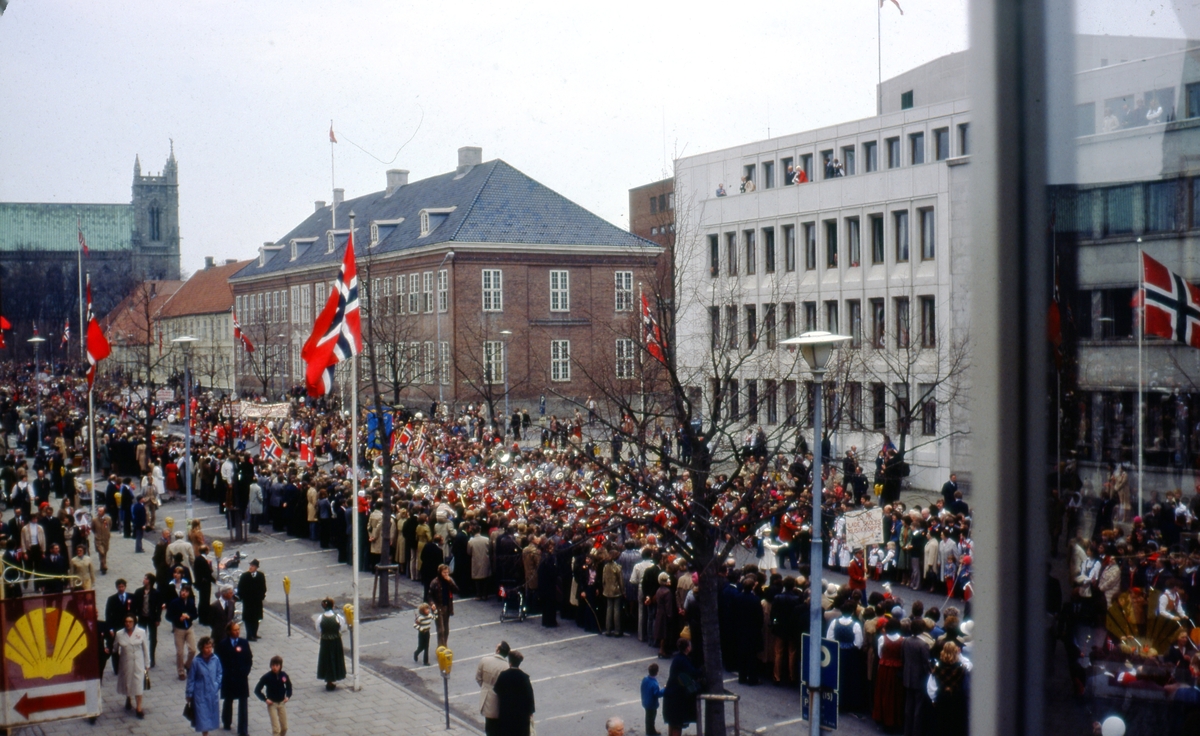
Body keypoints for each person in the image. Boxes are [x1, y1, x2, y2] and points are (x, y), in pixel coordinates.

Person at [216, 621, 253, 736]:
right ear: (229, 632)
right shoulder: (222, 644)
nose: (237, 632)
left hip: (241, 677)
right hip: (228, 677)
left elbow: (249, 659)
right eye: (234, 630)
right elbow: (218, 661)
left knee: (243, 702)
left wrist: (245, 671)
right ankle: (227, 722)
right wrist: (223, 674)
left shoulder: (244, 642)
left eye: (238, 629)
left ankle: (243, 729)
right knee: (228, 699)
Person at [114, 614, 150, 718]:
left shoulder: (141, 632)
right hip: (125, 662)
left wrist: (147, 663)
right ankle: (128, 698)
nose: (128, 624)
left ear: (134, 622)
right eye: (126, 621)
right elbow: (115, 648)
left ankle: (139, 708)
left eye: (130, 621)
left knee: (138, 683)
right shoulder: (119, 634)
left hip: (138, 662)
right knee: (128, 682)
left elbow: (145, 649)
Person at [929, 641, 968, 736]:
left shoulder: (937, 667)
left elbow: (931, 685)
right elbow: (969, 665)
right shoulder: (962, 667)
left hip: (942, 697)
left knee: (942, 723)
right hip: (957, 697)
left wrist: (933, 699)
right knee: (957, 724)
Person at [662, 639, 700, 736]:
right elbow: (693, 673)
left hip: (671, 695)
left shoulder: (678, 658)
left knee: (672, 724)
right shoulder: (683, 660)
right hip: (676, 698)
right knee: (677, 726)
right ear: (687, 648)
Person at [187, 636, 223, 736]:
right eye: (206, 647)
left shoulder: (215, 659)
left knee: (211, 715)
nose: (209, 649)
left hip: (212, 692)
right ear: (202, 648)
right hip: (200, 693)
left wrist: (217, 684)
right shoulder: (196, 661)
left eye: (210, 647)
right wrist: (189, 693)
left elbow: (219, 673)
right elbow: (191, 679)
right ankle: (205, 734)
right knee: (202, 716)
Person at [493, 650, 535, 736]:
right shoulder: (524, 677)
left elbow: (497, 689)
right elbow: (529, 696)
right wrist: (530, 711)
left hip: (506, 712)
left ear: (510, 662)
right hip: (521, 715)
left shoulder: (503, 675)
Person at [476, 641, 511, 736]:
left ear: (498, 650)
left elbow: (478, 678)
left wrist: (485, 687)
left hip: (486, 697)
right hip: (500, 702)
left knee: (489, 727)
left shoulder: (485, 660)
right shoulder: (507, 667)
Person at [131, 573, 164, 668]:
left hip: (152, 618)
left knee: (153, 638)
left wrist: (158, 618)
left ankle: (152, 657)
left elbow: (159, 607)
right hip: (141, 618)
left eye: (145, 578)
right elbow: (134, 606)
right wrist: (134, 617)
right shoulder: (138, 592)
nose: (143, 580)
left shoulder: (156, 593)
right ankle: (141, 656)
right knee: (141, 637)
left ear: (149, 581)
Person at [254, 655, 292, 736]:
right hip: (272, 704)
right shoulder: (267, 677)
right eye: (273, 665)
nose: (274, 667)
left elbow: (289, 687)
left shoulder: (283, 675)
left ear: (280, 666)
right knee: (276, 729)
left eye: (277, 666)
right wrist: (265, 699)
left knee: (284, 727)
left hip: (281, 703)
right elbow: (257, 690)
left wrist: (288, 696)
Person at [167, 583, 198, 680]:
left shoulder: (191, 602)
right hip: (179, 628)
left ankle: (188, 664)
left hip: (188, 627)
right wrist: (178, 619)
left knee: (193, 649)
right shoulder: (174, 602)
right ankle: (180, 671)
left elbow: (195, 614)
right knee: (180, 652)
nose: (183, 593)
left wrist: (190, 617)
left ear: (189, 593)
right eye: (182, 591)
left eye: (186, 592)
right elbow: (168, 616)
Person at [105, 578, 135, 675]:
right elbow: (108, 614)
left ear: (125, 587)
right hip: (116, 626)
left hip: (128, 625)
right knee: (115, 648)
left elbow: (134, 611)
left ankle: (129, 666)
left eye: (122, 586)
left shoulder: (131, 597)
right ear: (117, 588)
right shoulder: (112, 599)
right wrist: (110, 628)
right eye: (119, 587)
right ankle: (117, 668)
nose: (121, 588)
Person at [316, 598, 346, 690]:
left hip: (325, 642)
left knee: (326, 660)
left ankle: (328, 680)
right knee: (335, 659)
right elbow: (341, 627)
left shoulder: (320, 618)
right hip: (335, 641)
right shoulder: (338, 617)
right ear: (332, 606)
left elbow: (318, 629)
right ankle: (334, 677)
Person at [429, 563, 459, 648]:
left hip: (447, 606)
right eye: (444, 573)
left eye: (447, 572)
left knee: (446, 629)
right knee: (440, 630)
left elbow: (456, 590)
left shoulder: (450, 580)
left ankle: (444, 644)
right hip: (438, 606)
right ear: (440, 572)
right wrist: (432, 604)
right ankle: (441, 647)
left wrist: (450, 581)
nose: (446, 574)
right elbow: (429, 595)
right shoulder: (435, 582)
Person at [237, 559, 267, 640]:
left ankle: (254, 633)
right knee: (248, 618)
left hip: (257, 601)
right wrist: (242, 597)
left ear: (256, 567)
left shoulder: (260, 575)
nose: (250, 567)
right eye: (250, 565)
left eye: (252, 566)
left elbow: (263, 587)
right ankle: (249, 635)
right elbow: (240, 588)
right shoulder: (245, 576)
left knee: (256, 618)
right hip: (248, 601)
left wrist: (262, 596)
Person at [641, 662, 664, 736]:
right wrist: (664, 689)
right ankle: (651, 731)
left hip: (645, 701)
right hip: (652, 704)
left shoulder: (645, 679)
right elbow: (657, 694)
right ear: (657, 672)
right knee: (651, 718)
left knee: (648, 717)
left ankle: (649, 730)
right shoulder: (654, 684)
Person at [93, 506, 111, 573]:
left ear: (104, 512)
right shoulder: (95, 520)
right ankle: (104, 564)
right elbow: (93, 528)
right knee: (101, 552)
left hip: (105, 539)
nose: (99, 512)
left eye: (100, 511)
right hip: (98, 539)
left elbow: (109, 526)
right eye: (98, 511)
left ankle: (102, 565)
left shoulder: (108, 519)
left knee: (105, 552)